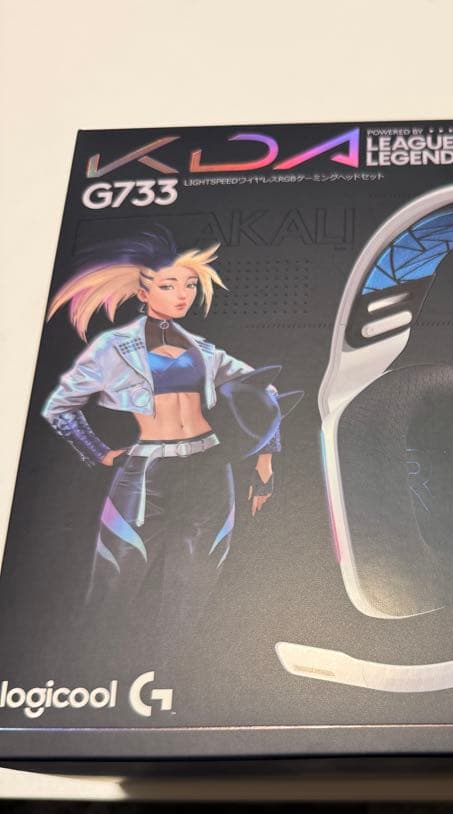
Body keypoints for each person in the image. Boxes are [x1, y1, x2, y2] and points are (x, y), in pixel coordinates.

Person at [43, 225, 287, 654]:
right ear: (143, 291)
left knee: (193, 590)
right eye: (169, 285)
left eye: (190, 285)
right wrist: (99, 453)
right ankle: (90, 670)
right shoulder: (113, 348)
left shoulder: (204, 350)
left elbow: (264, 390)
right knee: (114, 586)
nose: (183, 295)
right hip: (147, 475)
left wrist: (264, 463)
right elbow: (60, 407)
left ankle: (167, 671)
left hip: (210, 468)